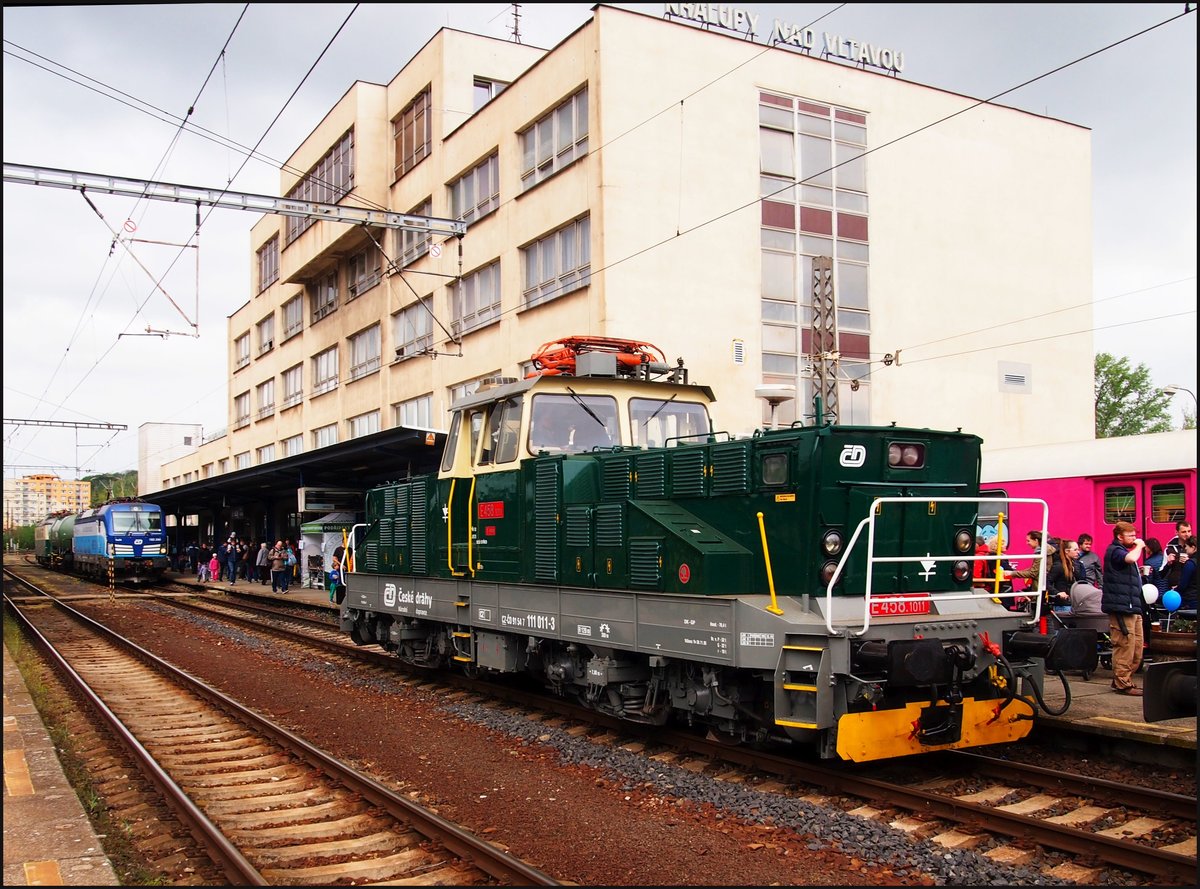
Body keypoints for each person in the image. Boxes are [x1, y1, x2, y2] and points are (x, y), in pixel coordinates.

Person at [1101, 521, 1147, 696]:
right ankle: (1122, 683)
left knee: (1136, 648)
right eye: (1131, 536)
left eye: (1135, 535)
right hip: (1121, 608)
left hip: (1132, 606)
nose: (1135, 539)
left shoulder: (1123, 551)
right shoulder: (1115, 551)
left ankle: (1122, 679)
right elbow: (1131, 558)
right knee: (1124, 645)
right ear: (1120, 537)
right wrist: (1140, 546)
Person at [1046, 538, 1084, 612]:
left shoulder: (1075, 564)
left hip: (1074, 603)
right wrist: (1057, 593)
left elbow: (1081, 579)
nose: (1078, 552)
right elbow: (1047, 582)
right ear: (1067, 551)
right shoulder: (1058, 566)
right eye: (1075, 550)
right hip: (1063, 605)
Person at [1170, 536, 1198, 610]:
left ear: (1193, 547)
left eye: (1186, 546)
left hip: (1191, 600)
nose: (1185, 548)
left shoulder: (1190, 563)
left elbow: (1183, 584)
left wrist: (1175, 589)